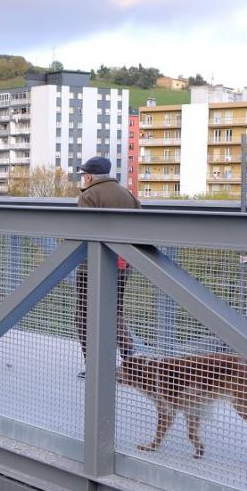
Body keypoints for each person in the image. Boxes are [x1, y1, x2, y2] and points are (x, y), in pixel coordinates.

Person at [74, 156, 139, 377]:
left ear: (90, 176)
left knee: (83, 315)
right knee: (114, 312)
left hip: (91, 266)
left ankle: (94, 366)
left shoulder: (89, 196)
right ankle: (131, 362)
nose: (83, 179)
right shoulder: (127, 195)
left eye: (83, 175)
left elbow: (83, 231)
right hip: (122, 262)